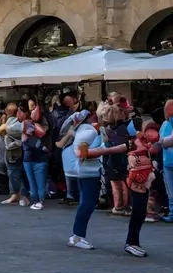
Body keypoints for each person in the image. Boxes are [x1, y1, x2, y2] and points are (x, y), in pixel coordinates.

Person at [68, 109, 122, 250]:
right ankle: (78, 236)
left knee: (87, 203)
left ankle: (77, 235)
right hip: (88, 172)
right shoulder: (90, 131)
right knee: (87, 204)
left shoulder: (88, 130)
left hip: (88, 171)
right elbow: (80, 153)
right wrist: (105, 150)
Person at [125, 121, 160, 257]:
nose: (151, 134)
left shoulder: (153, 145)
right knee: (138, 211)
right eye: (149, 130)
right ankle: (131, 243)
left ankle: (133, 242)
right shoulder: (137, 144)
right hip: (137, 180)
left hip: (146, 180)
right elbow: (131, 155)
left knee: (141, 212)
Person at [160, 100, 173, 223]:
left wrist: (163, 142)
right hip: (167, 160)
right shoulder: (166, 123)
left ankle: (172, 214)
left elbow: (163, 140)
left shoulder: (166, 124)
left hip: (168, 161)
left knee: (170, 189)